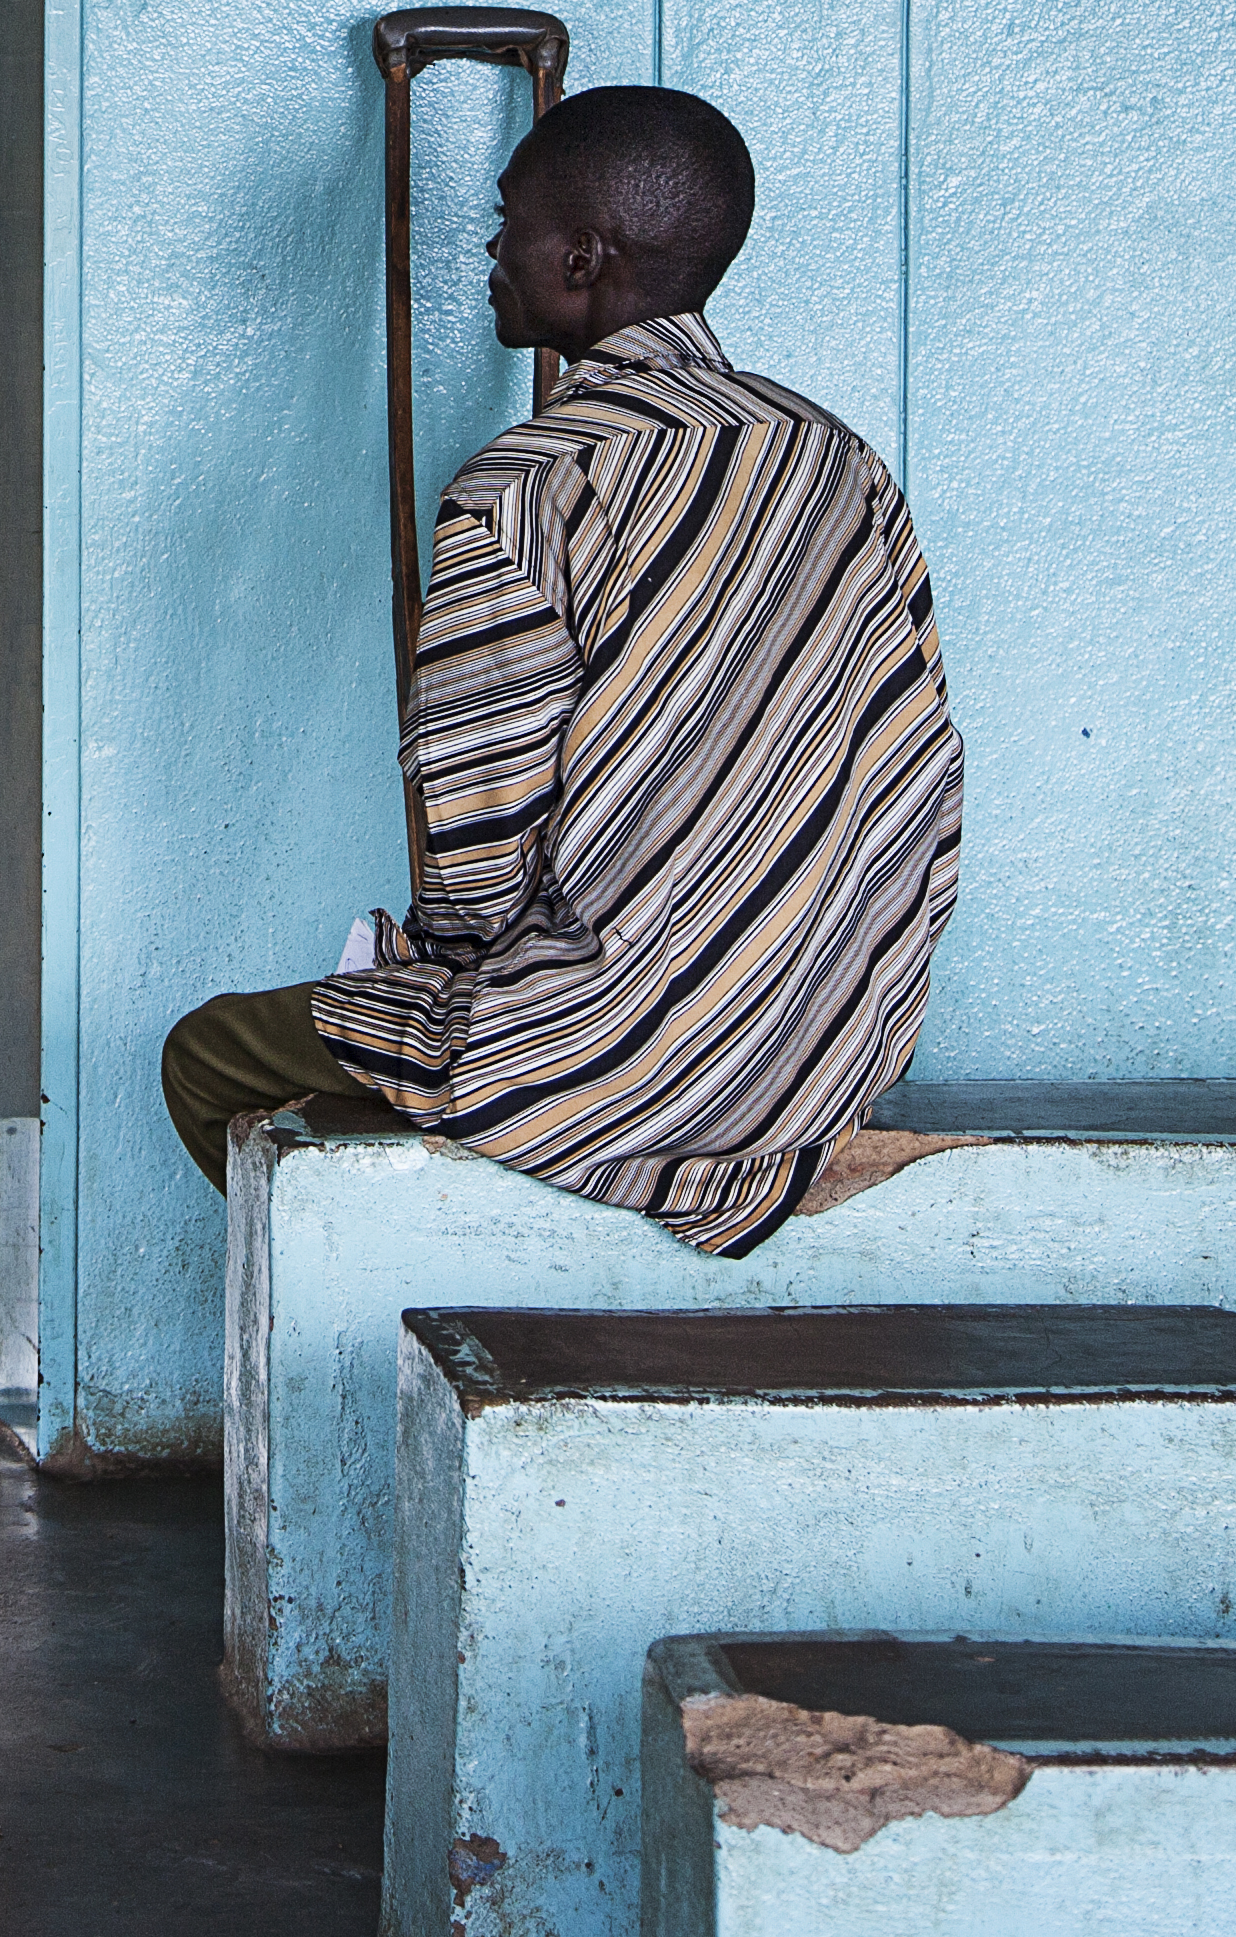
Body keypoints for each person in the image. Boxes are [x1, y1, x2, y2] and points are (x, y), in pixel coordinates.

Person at [161, 86, 962, 1253]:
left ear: (580, 260)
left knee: (209, 1056)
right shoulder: (841, 461)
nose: (489, 250)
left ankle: (407, 1312)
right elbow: (919, 774)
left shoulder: (527, 486)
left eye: (507, 223)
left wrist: (428, 980)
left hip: (617, 1049)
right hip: (832, 1046)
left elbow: (480, 838)